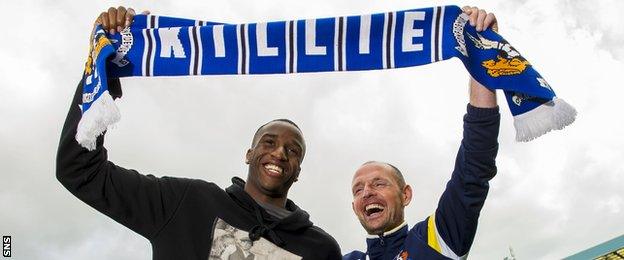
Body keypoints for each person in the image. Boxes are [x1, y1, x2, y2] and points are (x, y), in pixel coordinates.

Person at [56, 6, 341, 259]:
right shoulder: (186, 201)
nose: (279, 153)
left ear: (298, 170)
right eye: (269, 142)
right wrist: (101, 76)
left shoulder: (320, 248)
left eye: (293, 151)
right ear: (249, 154)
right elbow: (80, 172)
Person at [344, 6, 501, 260]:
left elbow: (475, 165)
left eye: (379, 183)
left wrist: (482, 52)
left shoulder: (436, 239)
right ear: (355, 208)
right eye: (358, 190)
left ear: (405, 194)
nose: (367, 192)